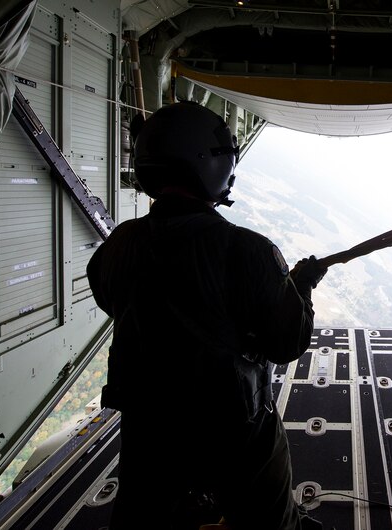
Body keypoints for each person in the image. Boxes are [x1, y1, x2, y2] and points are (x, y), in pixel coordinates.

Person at [86, 101, 327, 529]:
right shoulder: (249, 251)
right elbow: (288, 342)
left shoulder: (119, 244)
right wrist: (301, 288)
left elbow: (111, 299)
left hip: (149, 429)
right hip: (233, 433)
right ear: (211, 166)